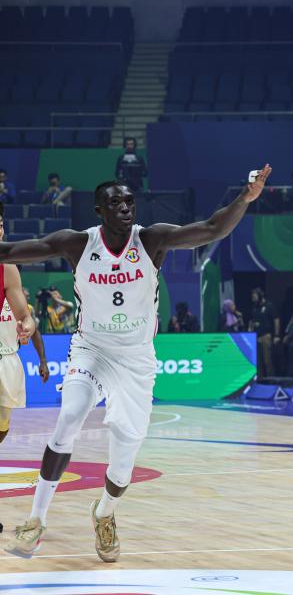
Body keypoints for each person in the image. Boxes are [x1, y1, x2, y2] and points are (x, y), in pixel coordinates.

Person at [2, 165, 272, 561]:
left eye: (129, 201)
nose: (125, 208)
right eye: (116, 203)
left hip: (136, 358)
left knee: (124, 461)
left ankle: (104, 512)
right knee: (69, 417)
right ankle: (35, 520)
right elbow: (11, 252)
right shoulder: (78, 244)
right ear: (99, 210)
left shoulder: (152, 239)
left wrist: (245, 198)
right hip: (91, 349)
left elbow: (213, 229)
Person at [0, 203, 45, 446]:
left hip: (6, 357)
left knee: (2, 427)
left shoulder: (7, 269)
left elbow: (25, 316)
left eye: (0, 225)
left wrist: (27, 326)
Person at [248, 288, 279, 375]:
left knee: (267, 361)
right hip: (256, 337)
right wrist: (249, 330)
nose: (253, 299)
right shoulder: (254, 307)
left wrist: (276, 335)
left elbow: (276, 320)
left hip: (266, 336)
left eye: (254, 297)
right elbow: (251, 320)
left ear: (260, 296)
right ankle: (260, 379)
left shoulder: (269, 306)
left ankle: (271, 379)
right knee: (258, 362)